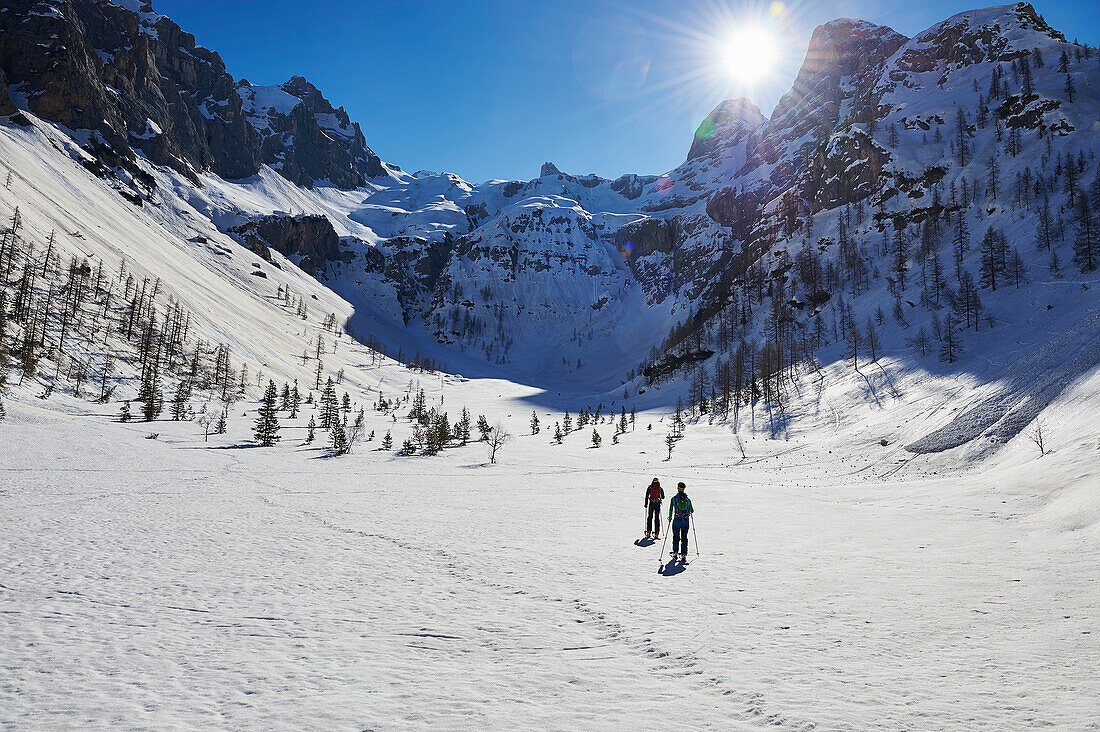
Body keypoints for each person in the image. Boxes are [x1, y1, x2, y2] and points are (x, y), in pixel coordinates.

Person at [668, 482, 693, 561]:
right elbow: (692, 510)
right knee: (684, 537)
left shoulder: (674, 499)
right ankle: (683, 555)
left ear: (678, 488)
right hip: (685, 520)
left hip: (677, 519)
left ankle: (675, 553)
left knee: (676, 536)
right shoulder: (687, 499)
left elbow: (671, 509)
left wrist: (670, 517)